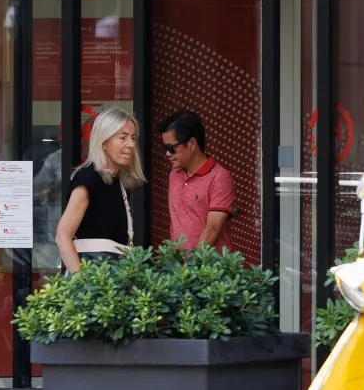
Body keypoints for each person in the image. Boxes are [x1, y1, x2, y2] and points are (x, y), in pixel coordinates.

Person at [57, 107, 144, 272]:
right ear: (104, 142)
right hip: (93, 278)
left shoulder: (117, 180)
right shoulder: (89, 177)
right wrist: (82, 282)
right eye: (122, 137)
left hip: (110, 276)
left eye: (133, 138)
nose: (131, 144)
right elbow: (62, 235)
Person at [157, 110, 234, 252]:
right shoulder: (174, 174)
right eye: (164, 148)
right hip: (180, 269)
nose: (167, 154)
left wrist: (193, 267)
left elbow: (212, 229)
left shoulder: (219, 177)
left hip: (209, 270)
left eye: (171, 148)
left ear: (192, 144)